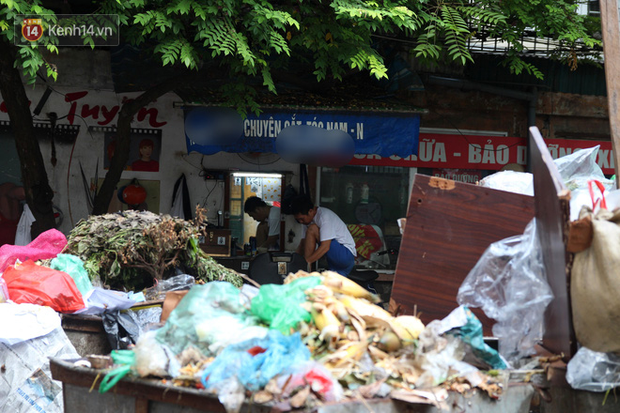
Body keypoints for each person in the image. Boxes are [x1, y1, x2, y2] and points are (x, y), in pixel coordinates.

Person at [292, 194, 356, 276]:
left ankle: (307, 270)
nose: (301, 222)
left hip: (345, 255)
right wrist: (293, 259)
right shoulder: (307, 221)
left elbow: (325, 247)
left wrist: (307, 262)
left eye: (302, 219)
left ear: (310, 211)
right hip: (334, 263)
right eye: (298, 220)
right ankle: (307, 269)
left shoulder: (324, 216)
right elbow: (303, 243)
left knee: (313, 229)